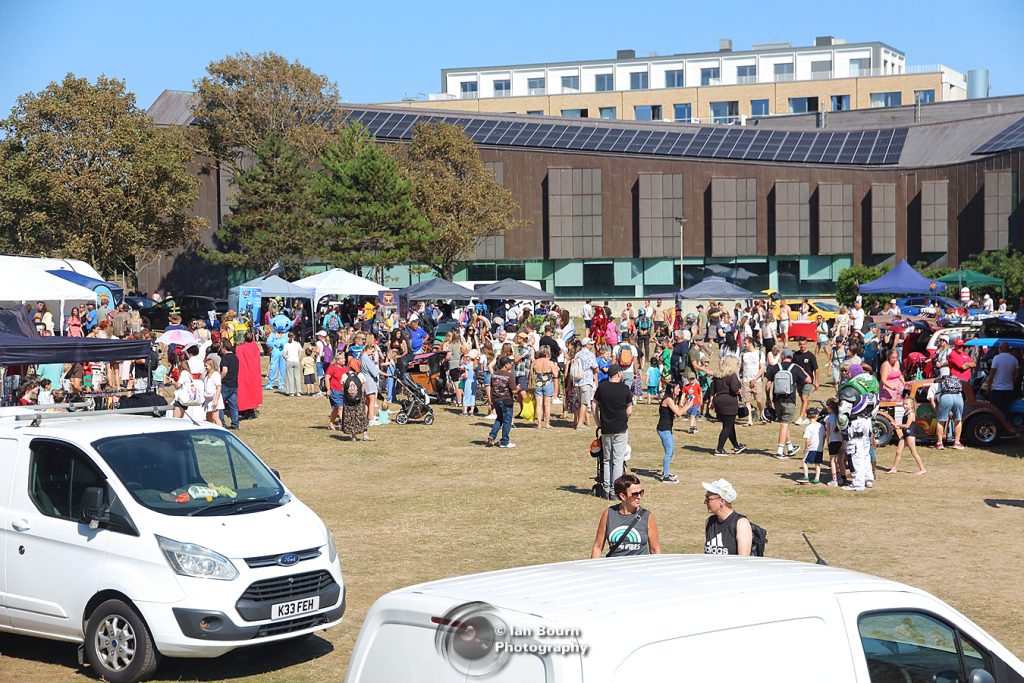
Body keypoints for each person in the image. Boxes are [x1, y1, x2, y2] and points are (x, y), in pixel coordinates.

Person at [590, 474, 660, 558]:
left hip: (639, 565)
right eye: (635, 494)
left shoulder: (647, 516)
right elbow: (597, 547)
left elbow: (655, 550)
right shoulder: (608, 514)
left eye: (640, 493)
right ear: (623, 496)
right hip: (615, 565)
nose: (639, 497)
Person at [592, 363, 634, 500]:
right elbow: (629, 410)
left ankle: (606, 489)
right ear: (619, 374)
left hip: (606, 428)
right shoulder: (624, 389)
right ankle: (615, 490)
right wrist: (624, 418)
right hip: (620, 428)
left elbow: (594, 404)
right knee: (617, 460)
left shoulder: (602, 387)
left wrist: (598, 421)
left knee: (606, 459)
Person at [766, 348, 810, 459]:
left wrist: (768, 398)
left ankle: (790, 448)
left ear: (782, 357)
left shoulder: (775, 367)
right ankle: (780, 451)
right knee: (784, 425)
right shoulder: (795, 368)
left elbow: (767, 385)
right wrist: (802, 370)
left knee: (784, 423)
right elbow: (809, 380)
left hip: (777, 400)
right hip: (789, 400)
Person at [656, 382, 694, 484]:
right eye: (677, 388)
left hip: (667, 428)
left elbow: (678, 409)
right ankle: (665, 476)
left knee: (671, 450)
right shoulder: (668, 400)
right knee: (669, 451)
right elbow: (679, 413)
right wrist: (689, 405)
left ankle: (666, 472)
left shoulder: (672, 399)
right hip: (663, 429)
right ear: (672, 389)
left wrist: (687, 401)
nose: (679, 390)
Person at [702, 479, 751, 556]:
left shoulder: (741, 524)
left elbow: (743, 560)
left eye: (709, 499)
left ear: (722, 501)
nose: (705, 502)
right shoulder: (709, 522)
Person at [710, 356, 746, 456]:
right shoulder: (732, 375)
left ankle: (736, 446)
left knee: (729, 425)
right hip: (729, 402)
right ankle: (719, 449)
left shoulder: (718, 376)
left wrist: (711, 402)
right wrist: (740, 391)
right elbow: (734, 389)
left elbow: (712, 390)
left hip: (719, 401)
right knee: (727, 427)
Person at [888, 393, 926, 474]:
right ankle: (894, 468)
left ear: (911, 405)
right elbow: (904, 426)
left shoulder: (911, 414)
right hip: (905, 434)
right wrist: (896, 426)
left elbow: (907, 425)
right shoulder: (905, 413)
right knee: (898, 451)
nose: (904, 405)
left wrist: (897, 425)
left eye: (906, 404)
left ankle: (922, 469)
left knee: (913, 452)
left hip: (910, 434)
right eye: (904, 404)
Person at [486, 356, 516, 449]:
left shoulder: (494, 375)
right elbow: (514, 391)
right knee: (507, 421)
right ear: (506, 365)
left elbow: (491, 390)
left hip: (496, 400)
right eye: (510, 363)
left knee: (499, 419)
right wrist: (519, 388)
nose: (511, 364)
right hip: (506, 401)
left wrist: (491, 402)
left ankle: (492, 436)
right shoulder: (509, 375)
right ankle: (504, 441)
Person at [930, 373, 965, 450]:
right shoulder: (955, 384)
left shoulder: (934, 385)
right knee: (958, 420)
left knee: (940, 421)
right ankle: (957, 442)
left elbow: (932, 400)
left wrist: (937, 412)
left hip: (945, 397)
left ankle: (939, 443)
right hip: (958, 397)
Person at [340, 357, 371, 440]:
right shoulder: (361, 375)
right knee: (361, 416)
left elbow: (342, 388)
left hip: (348, 400)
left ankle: (353, 436)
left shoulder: (344, 376)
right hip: (359, 399)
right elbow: (363, 388)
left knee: (351, 417)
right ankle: (365, 435)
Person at [988, 341, 1020, 420]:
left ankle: (995, 423)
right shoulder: (1014, 359)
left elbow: (992, 373)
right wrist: (1012, 382)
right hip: (1009, 389)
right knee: (1006, 409)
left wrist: (989, 386)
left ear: (1000, 348)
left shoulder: (996, 358)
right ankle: (1006, 423)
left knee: (994, 410)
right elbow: (1016, 375)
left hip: (997, 389)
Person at [739, 337, 766, 426]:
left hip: (757, 381)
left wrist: (755, 379)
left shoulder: (760, 354)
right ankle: (749, 419)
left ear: (751, 343)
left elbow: (762, 368)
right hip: (745, 380)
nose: (744, 345)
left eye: (746, 343)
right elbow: (740, 367)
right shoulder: (743, 354)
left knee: (759, 400)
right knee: (747, 401)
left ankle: (762, 414)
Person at [792, 339, 819, 425]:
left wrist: (816, 381)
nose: (802, 346)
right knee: (804, 400)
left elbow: (816, 369)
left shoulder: (810, 356)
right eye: (800, 344)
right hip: (799, 381)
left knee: (804, 398)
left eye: (804, 344)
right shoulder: (795, 355)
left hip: (808, 381)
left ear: (806, 344)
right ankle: (809, 416)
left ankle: (800, 418)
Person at [532, 346, 558, 429]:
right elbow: (555, 375)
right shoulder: (550, 362)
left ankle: (539, 424)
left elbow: (532, 374)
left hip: (537, 383)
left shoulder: (535, 362)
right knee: (547, 405)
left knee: (538, 404)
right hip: (548, 383)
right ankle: (547, 424)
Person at [823, 398, 846, 487]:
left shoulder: (828, 418)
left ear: (830, 407)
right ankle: (842, 477)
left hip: (832, 441)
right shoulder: (840, 417)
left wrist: (827, 440)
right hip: (840, 441)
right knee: (840, 461)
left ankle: (834, 479)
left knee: (832, 460)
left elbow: (828, 431)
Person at [800, 407, 825, 484]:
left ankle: (806, 476)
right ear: (817, 415)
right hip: (819, 448)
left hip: (811, 448)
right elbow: (824, 437)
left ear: (807, 416)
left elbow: (807, 440)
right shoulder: (821, 426)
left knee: (804, 461)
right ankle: (817, 478)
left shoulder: (808, 427)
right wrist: (822, 445)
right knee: (817, 463)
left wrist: (805, 448)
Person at [219, 341, 240, 429]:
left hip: (226, 384)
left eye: (221, 347)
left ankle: (221, 423)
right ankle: (235, 423)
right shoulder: (235, 357)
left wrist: (218, 379)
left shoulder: (225, 358)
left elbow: (224, 371)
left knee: (219, 404)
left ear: (224, 347)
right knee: (233, 405)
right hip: (234, 384)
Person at [325, 354, 346, 431]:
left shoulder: (346, 368)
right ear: (337, 360)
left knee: (336, 409)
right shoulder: (332, 367)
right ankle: (344, 425)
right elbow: (327, 378)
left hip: (344, 391)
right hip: (335, 391)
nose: (344, 360)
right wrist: (328, 389)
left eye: (344, 358)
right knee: (340, 408)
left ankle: (331, 423)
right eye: (342, 359)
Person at [203, 357, 223, 426]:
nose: (205, 367)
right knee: (208, 417)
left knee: (215, 417)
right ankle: (210, 430)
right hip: (208, 398)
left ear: (211, 365)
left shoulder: (216, 374)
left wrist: (216, 399)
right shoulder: (207, 375)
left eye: (206, 366)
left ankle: (220, 430)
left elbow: (219, 386)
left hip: (214, 398)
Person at [283, 331, 303, 397]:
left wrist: (286, 358)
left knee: (290, 377)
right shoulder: (297, 344)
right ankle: (298, 392)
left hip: (289, 361)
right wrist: (299, 359)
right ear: (294, 336)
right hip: (296, 361)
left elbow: (284, 355)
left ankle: (291, 392)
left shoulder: (286, 344)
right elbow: (300, 352)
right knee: (297, 377)